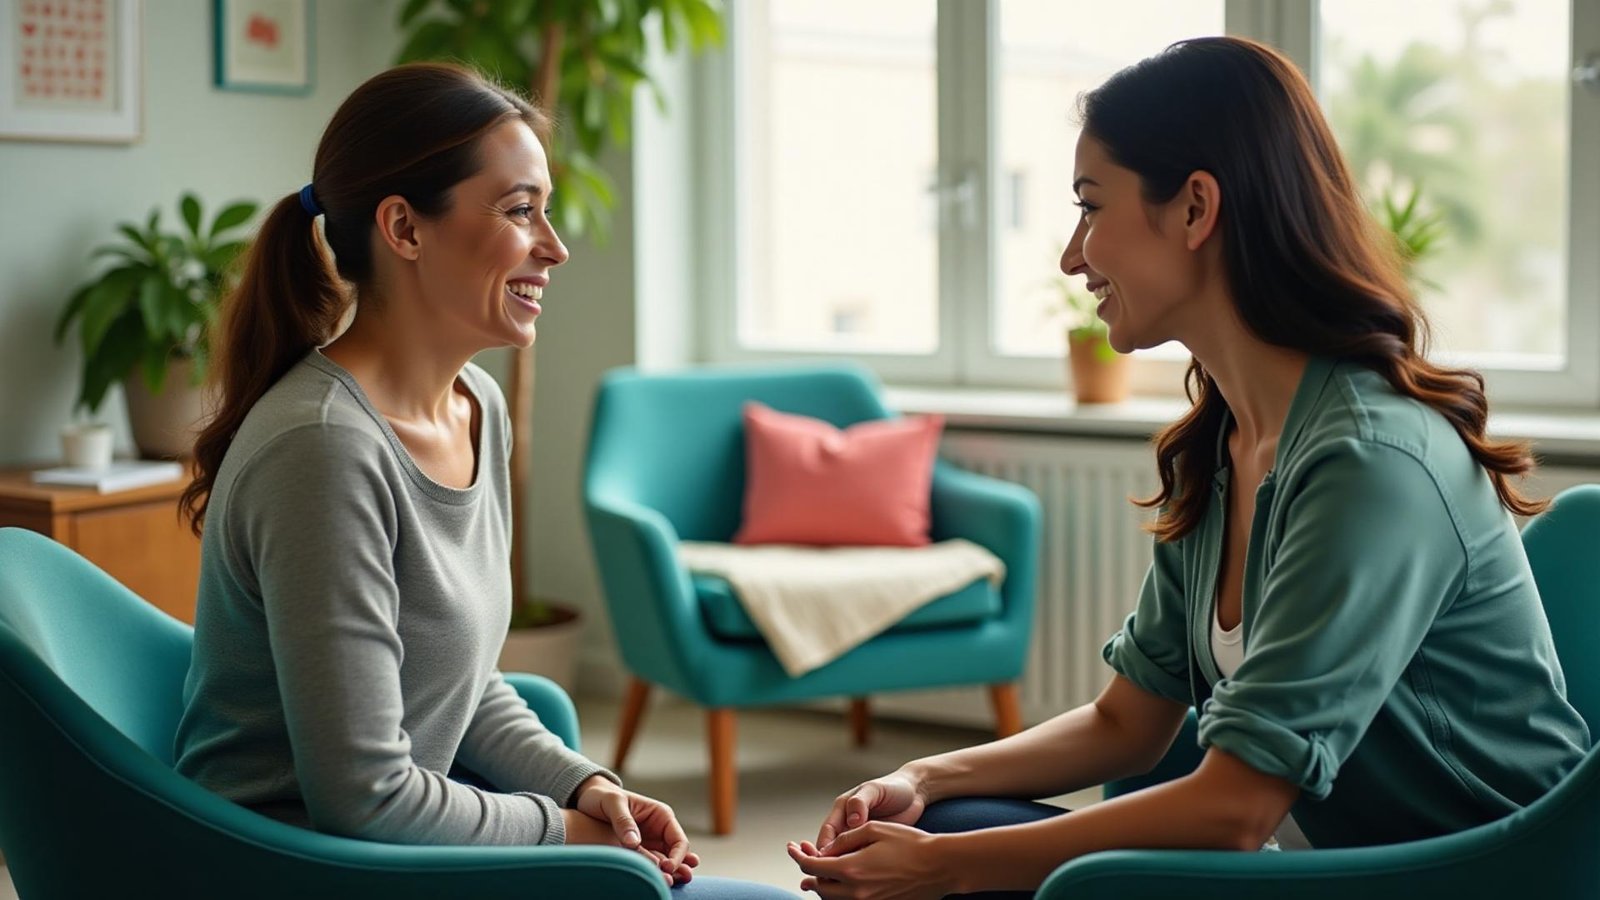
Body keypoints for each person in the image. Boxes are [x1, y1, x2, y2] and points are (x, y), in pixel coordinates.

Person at [787, 35, 1590, 900]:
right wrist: (928, 777)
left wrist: (942, 872)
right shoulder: (1226, 442)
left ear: (1196, 208)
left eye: (1091, 207)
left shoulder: (1372, 462)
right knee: (934, 821)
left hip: (1474, 881)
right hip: (1329, 862)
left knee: (973, 864)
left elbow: (1235, 809)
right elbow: (1127, 722)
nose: (1072, 255)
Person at [174, 62, 793, 900]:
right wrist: (566, 836)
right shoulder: (322, 449)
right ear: (404, 228)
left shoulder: (477, 406)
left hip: (402, 857)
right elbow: (363, 797)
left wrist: (586, 787)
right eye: (519, 210)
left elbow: (455, 684)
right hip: (302, 868)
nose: (556, 245)